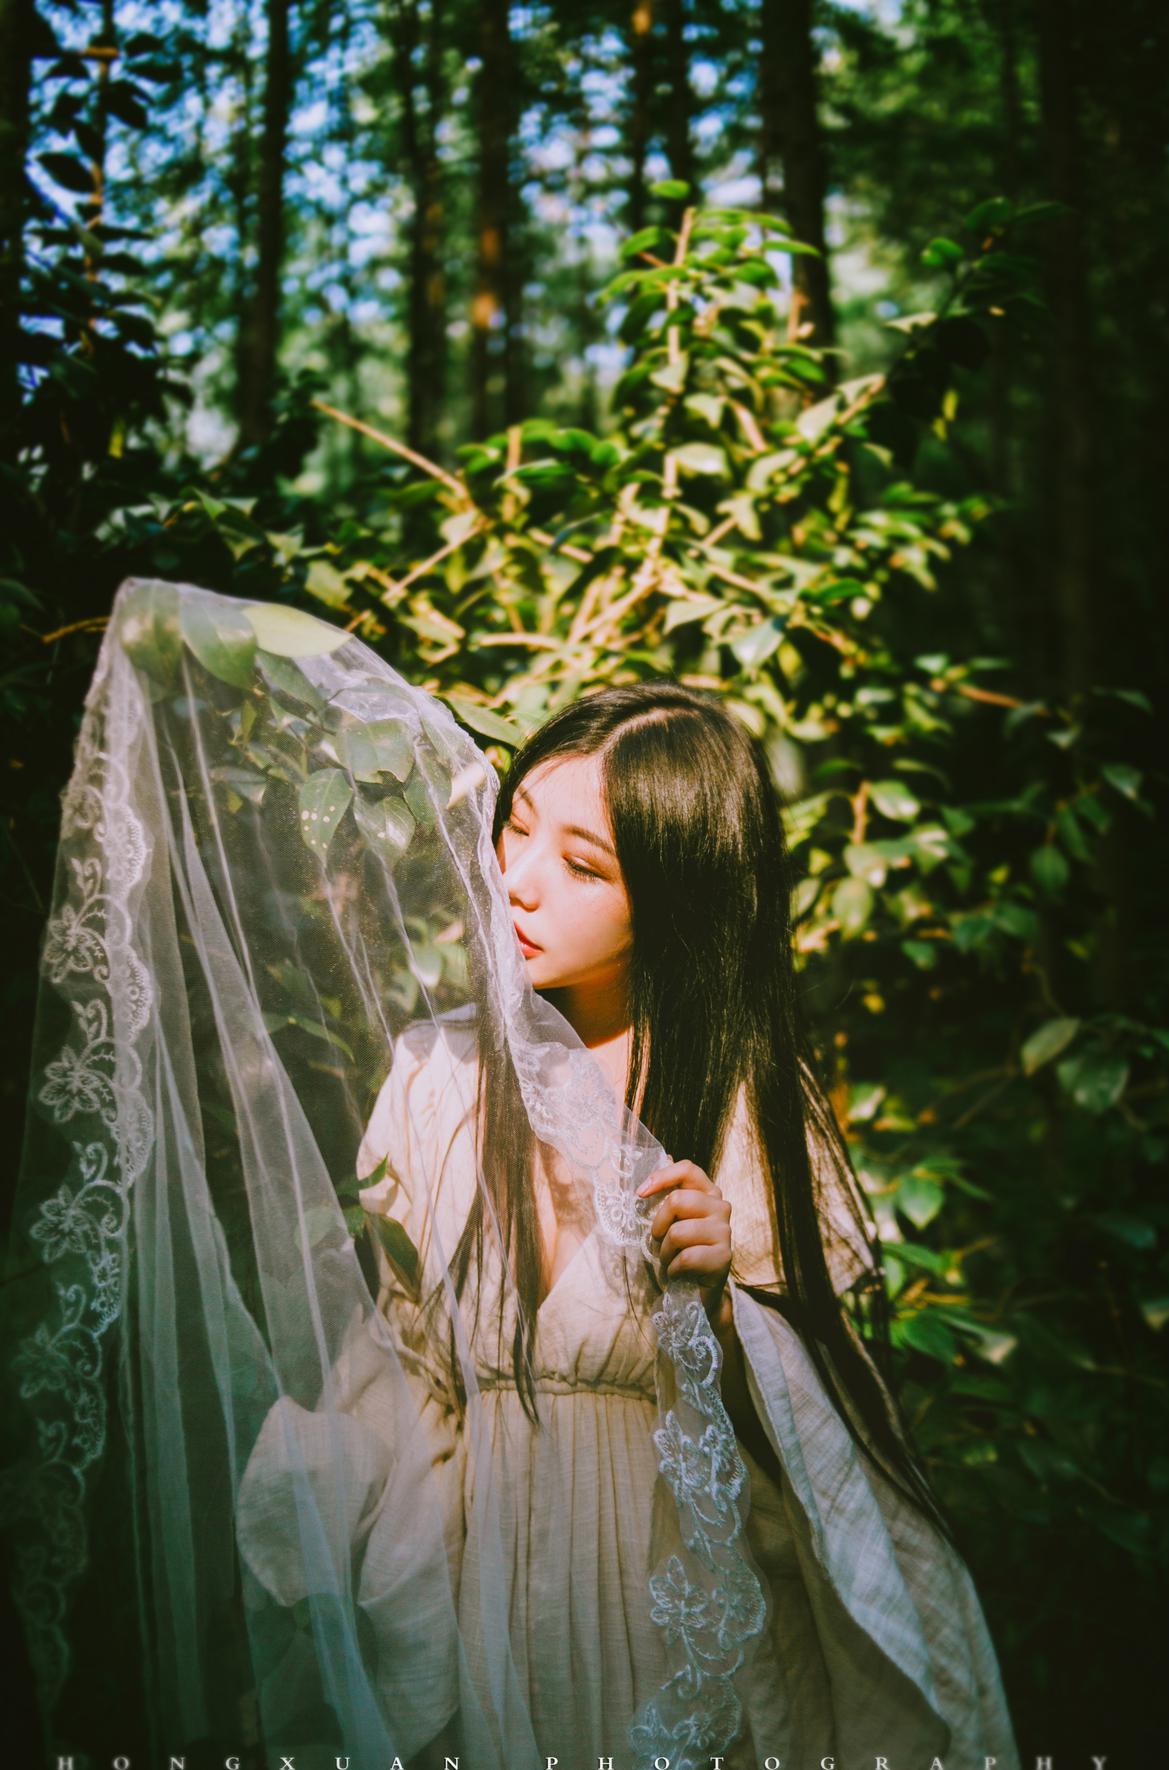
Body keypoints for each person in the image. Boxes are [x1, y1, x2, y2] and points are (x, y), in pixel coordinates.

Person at [4, 581, 1019, 1770]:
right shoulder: (436, 1078)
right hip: (489, 1616)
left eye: (583, 863)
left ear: (673, 895)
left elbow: (836, 1469)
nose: (519, 878)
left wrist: (726, 1308)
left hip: (671, 1629)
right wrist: (291, 1481)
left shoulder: (746, 1104)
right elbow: (405, 1381)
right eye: (516, 825)